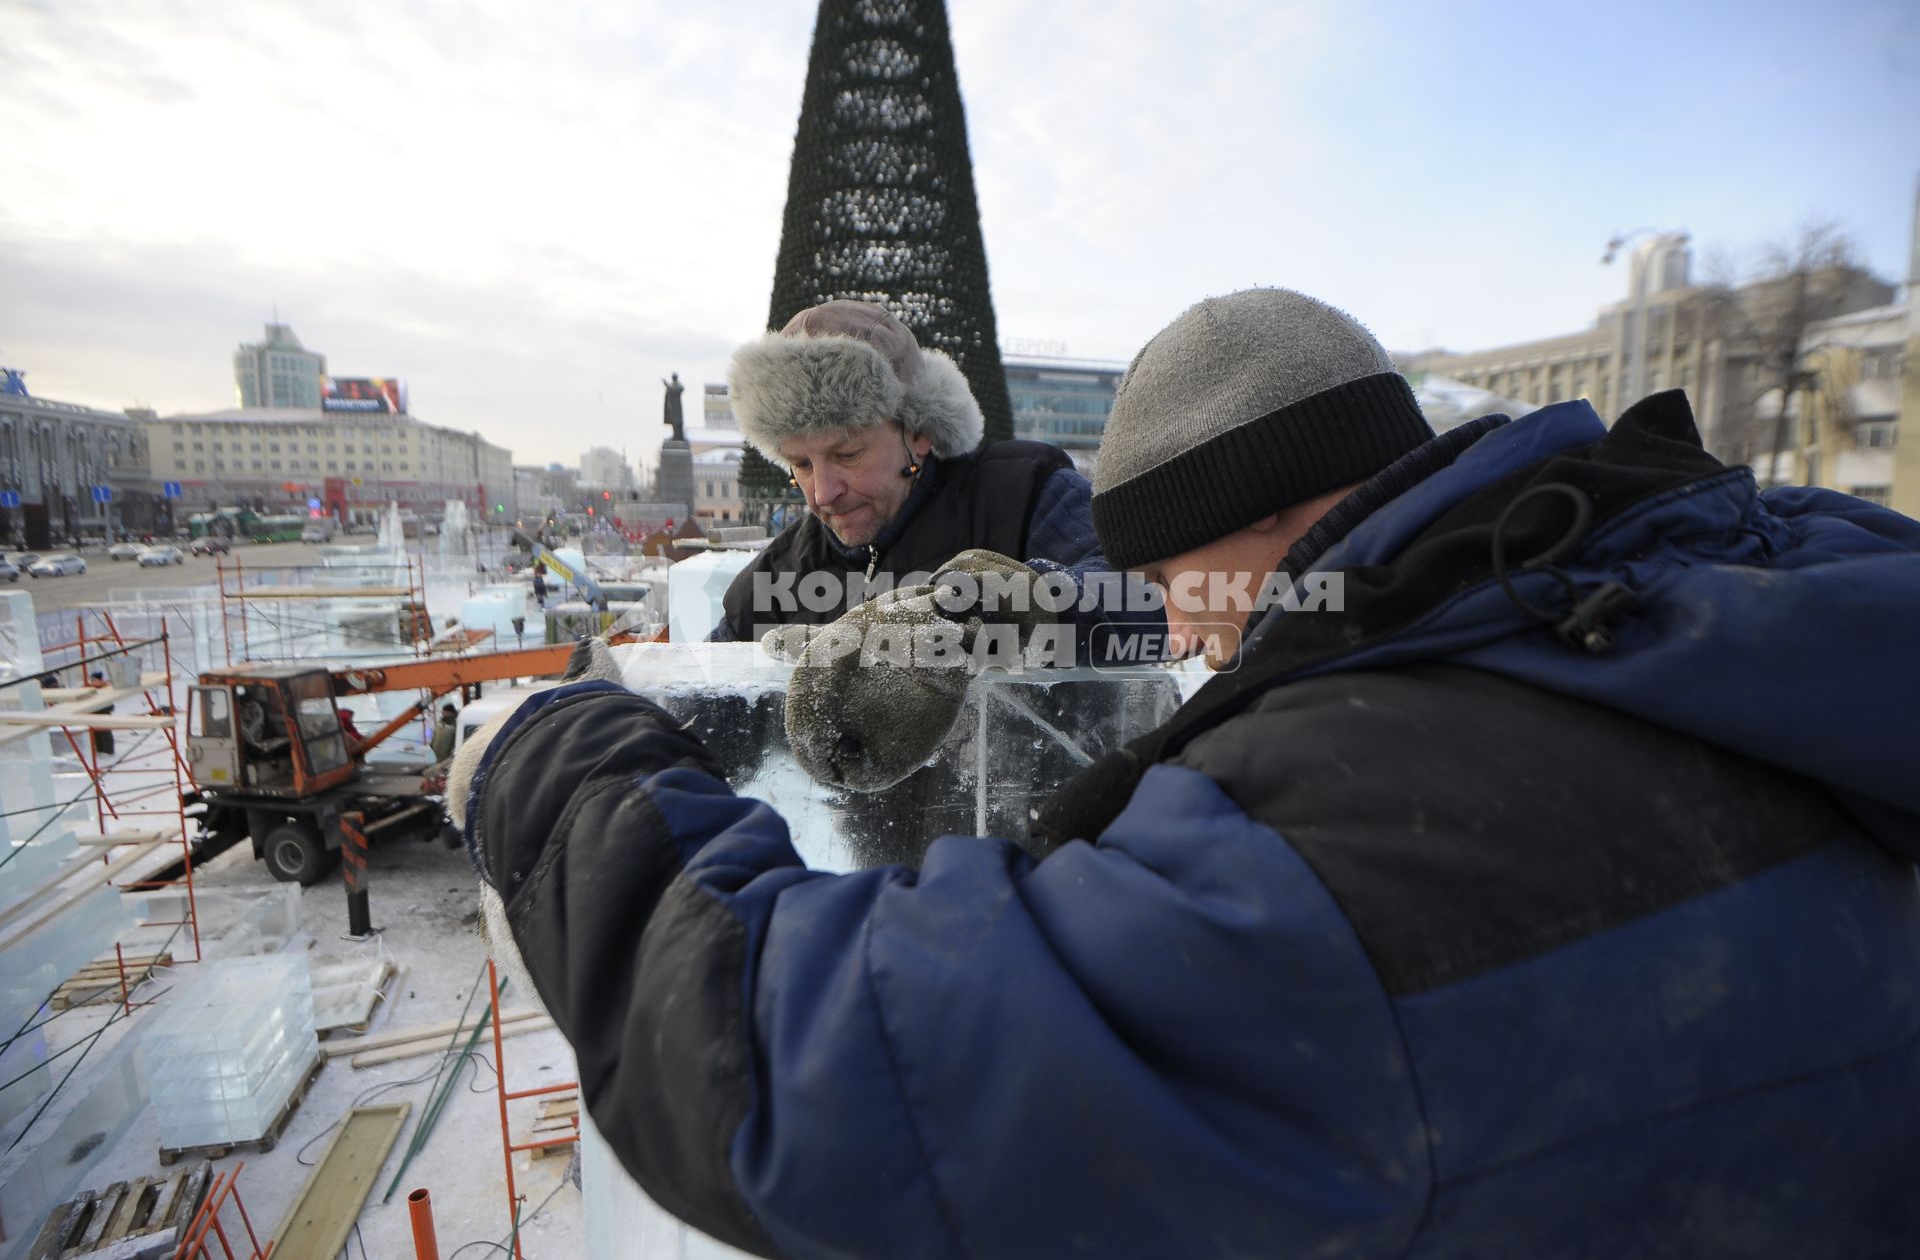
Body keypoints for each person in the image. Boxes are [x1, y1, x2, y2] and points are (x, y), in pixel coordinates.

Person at [449, 288, 1920, 1258]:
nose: (1165, 626)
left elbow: (809, 1077)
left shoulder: (1329, 818)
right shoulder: (1759, 565)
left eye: (1167, 578)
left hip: (1012, 948)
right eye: (799, 461)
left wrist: (553, 749)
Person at [707, 299, 1157, 646]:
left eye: (847, 454)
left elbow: (1144, 594)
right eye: (802, 464)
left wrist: (988, 612)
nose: (822, 494)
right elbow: (699, 701)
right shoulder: (782, 569)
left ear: (918, 431)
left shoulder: (1022, 496)